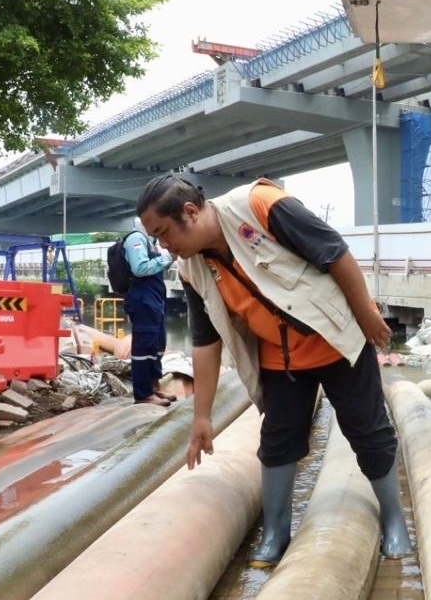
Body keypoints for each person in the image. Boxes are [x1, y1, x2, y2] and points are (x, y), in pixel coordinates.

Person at [136, 174, 411, 566]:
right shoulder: (190, 270)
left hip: (336, 343)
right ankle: (276, 534)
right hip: (280, 360)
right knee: (277, 444)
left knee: (369, 432)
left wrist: (367, 315)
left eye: (164, 233)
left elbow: (334, 252)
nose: (164, 246)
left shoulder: (261, 204)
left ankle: (394, 520)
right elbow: (205, 340)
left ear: (190, 212)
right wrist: (202, 416)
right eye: (156, 239)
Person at [121, 219, 177, 407]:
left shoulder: (150, 241)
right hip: (142, 301)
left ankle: (154, 386)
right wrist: (167, 258)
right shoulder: (136, 238)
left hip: (154, 300)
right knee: (143, 348)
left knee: (157, 344)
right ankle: (143, 394)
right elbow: (140, 268)